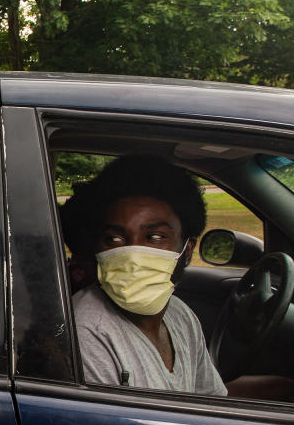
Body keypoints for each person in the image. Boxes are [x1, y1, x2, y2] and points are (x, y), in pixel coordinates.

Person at [66, 155, 228, 395]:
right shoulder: (88, 331)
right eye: (114, 239)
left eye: (154, 237)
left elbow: (211, 403)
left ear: (187, 249)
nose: (132, 254)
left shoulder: (181, 315)